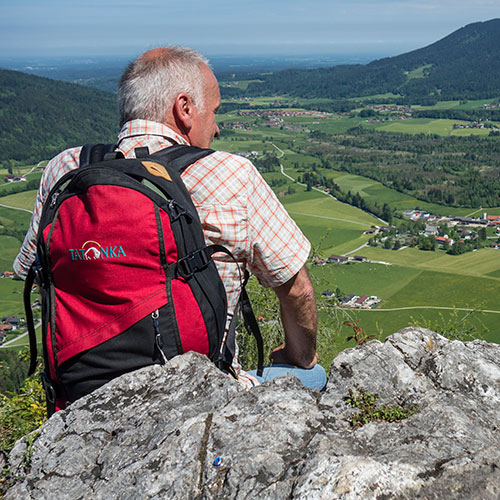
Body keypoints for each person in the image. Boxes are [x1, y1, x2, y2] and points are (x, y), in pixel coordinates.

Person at [14, 46, 326, 390]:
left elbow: (33, 271)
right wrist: (300, 356)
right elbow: (297, 291)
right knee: (313, 376)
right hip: (198, 395)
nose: (218, 128)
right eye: (215, 112)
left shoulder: (65, 169)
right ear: (185, 108)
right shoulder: (230, 173)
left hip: (81, 397)